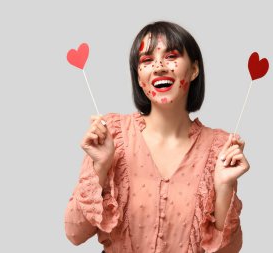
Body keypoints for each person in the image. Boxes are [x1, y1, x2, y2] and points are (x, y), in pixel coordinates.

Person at [64, 21, 250, 253]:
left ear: (193, 70)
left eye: (171, 56)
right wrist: (100, 166)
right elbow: (74, 233)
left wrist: (224, 186)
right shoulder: (111, 133)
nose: (159, 66)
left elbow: (228, 251)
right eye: (147, 60)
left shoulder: (219, 148)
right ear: (139, 78)